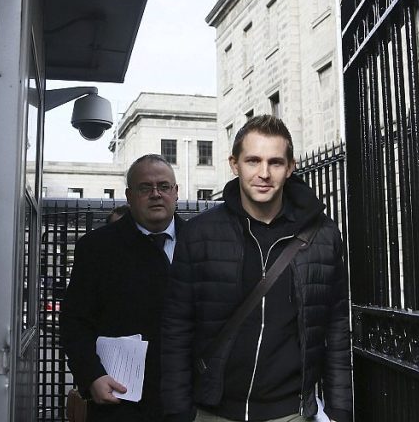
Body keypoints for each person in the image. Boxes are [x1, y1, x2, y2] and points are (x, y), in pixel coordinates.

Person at [161, 115, 352, 422]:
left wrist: (340, 411)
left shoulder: (323, 236)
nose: (264, 173)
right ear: (234, 164)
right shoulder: (200, 234)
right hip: (212, 411)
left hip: (290, 413)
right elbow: (176, 328)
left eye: (275, 162)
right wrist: (178, 411)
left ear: (290, 167)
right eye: (253, 161)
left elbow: (337, 328)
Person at [61, 154, 184, 422]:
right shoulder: (96, 248)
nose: (155, 194)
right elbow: (74, 322)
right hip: (120, 402)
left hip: (191, 400)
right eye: (145, 188)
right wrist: (92, 375)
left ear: (176, 193)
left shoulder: (202, 240)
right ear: (129, 195)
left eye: (163, 187)